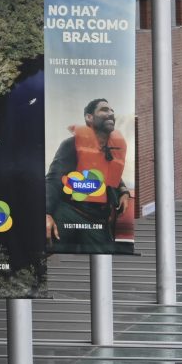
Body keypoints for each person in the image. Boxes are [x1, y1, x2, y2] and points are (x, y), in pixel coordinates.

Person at [45, 97, 132, 252]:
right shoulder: (70, 145)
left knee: (105, 260)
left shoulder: (112, 148)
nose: (111, 113)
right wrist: (46, 213)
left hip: (97, 220)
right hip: (69, 213)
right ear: (89, 117)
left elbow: (111, 173)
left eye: (112, 110)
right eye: (104, 110)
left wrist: (123, 190)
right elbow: (53, 180)